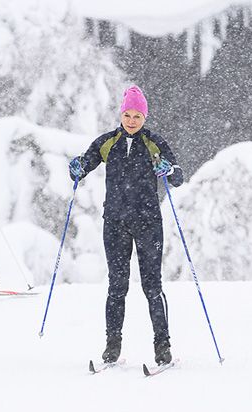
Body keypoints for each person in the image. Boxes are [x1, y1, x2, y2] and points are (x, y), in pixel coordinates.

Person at [69, 85, 183, 366]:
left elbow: (178, 176)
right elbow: (85, 165)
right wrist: (76, 169)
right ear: (121, 114)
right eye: (128, 115)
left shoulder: (154, 143)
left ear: (145, 117)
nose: (132, 120)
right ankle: (112, 344)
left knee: (152, 286)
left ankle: (162, 345)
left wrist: (167, 170)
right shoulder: (108, 142)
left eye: (138, 116)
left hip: (148, 223)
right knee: (116, 286)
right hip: (116, 223)